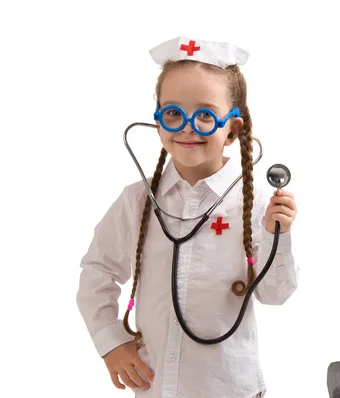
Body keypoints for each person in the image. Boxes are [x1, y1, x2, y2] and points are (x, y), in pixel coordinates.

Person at [76, 36, 299, 398]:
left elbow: (275, 295)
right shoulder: (137, 200)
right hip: (156, 384)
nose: (187, 126)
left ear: (233, 129)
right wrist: (111, 342)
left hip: (230, 387)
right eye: (174, 112)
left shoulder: (256, 202)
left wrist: (279, 235)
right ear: (158, 120)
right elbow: (97, 271)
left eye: (206, 114)